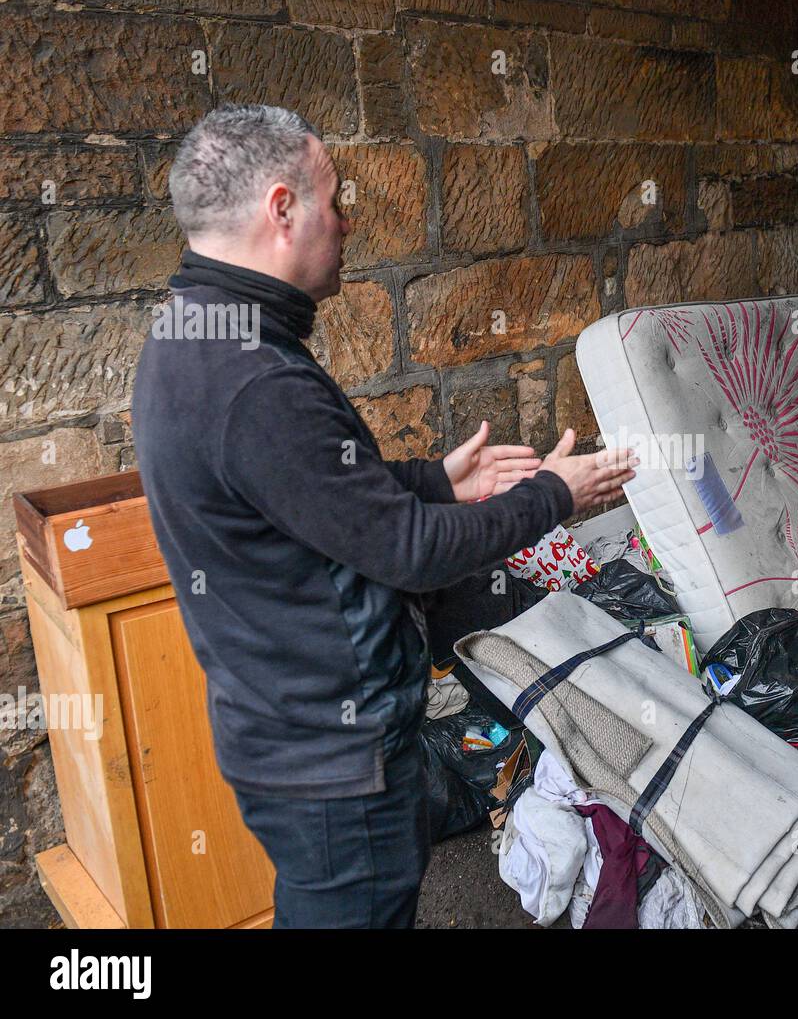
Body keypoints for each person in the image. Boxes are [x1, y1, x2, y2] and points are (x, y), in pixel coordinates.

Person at [132, 104, 636, 928]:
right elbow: (407, 552)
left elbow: (312, 498)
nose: (349, 221)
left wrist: (435, 478)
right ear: (282, 208)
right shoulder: (254, 378)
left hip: (286, 739)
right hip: (330, 762)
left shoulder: (195, 330)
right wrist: (555, 495)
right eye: (336, 201)